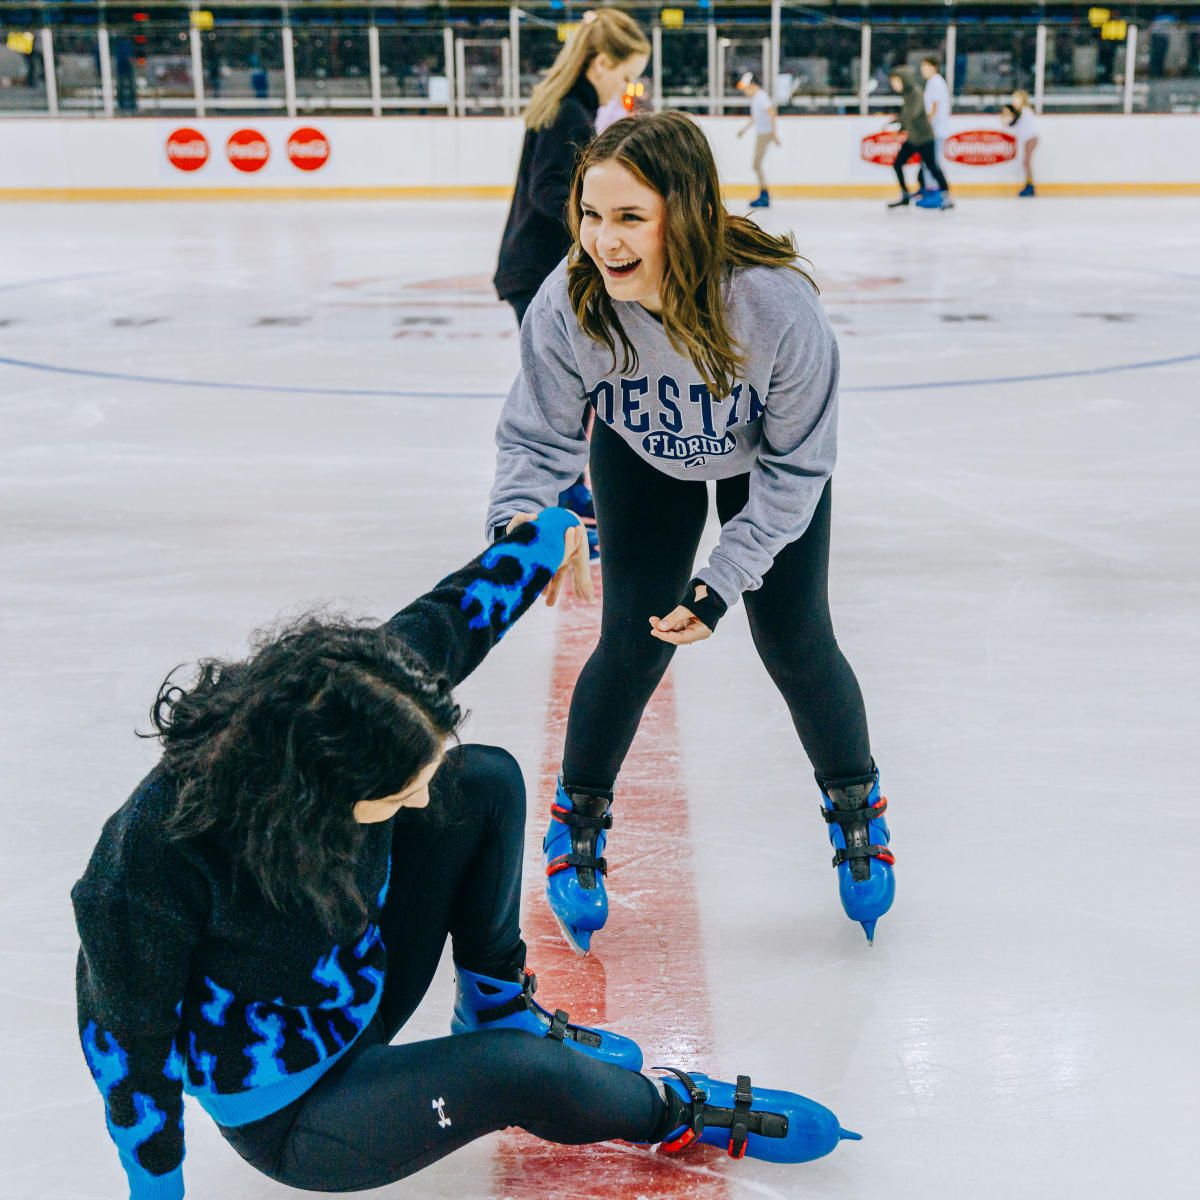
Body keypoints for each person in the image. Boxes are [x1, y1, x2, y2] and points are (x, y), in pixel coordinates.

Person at [72, 509, 859, 1199]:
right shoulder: (153, 858)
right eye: (395, 793)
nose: (417, 800)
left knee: (479, 779)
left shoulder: (349, 694)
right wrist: (155, 1188)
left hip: (360, 981)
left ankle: (494, 995)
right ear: (313, 793)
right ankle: (674, 1110)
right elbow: (125, 1047)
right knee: (516, 1071)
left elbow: (458, 614)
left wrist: (552, 534)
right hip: (297, 1108)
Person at [486, 112, 896, 957]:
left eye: (630, 217)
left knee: (793, 637)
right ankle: (577, 825)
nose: (603, 240)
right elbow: (536, 440)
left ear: (689, 211)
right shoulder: (571, 302)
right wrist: (526, 525)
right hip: (642, 457)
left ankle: (858, 809)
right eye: (591, 215)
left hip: (765, 464)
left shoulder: (776, 307)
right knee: (634, 639)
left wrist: (722, 582)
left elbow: (797, 471)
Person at [494, 8, 650, 557]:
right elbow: (548, 189)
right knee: (563, 390)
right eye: (625, 74)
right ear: (601, 61)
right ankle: (566, 503)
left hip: (530, 267)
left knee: (573, 388)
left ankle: (574, 493)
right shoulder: (570, 112)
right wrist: (600, 234)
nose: (627, 86)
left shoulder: (568, 104)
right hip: (540, 272)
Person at [884, 67, 953, 210]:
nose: (894, 85)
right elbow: (907, 116)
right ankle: (904, 195)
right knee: (898, 163)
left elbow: (914, 114)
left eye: (896, 82)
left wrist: (900, 122)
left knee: (932, 167)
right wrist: (898, 123)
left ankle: (947, 197)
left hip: (925, 138)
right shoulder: (907, 95)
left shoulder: (916, 93)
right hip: (913, 138)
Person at [736, 72, 780, 209]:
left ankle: (764, 195)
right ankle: (764, 194)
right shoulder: (756, 98)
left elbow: (771, 113)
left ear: (753, 85)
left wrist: (773, 133)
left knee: (756, 164)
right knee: (756, 164)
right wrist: (744, 129)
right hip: (762, 133)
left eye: (746, 88)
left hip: (764, 134)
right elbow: (757, 117)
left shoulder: (761, 97)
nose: (744, 91)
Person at [918, 56, 951, 196]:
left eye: (925, 67)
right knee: (928, 162)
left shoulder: (936, 83)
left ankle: (934, 192)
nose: (923, 70)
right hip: (934, 129)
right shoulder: (933, 82)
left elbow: (934, 107)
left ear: (934, 67)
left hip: (935, 130)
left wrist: (926, 125)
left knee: (931, 162)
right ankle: (928, 189)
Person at [1002, 89, 1039, 197]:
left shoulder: (1024, 110)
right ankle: (1029, 184)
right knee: (1026, 162)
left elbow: (1014, 120)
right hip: (1028, 138)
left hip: (1030, 138)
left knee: (1026, 162)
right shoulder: (1023, 111)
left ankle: (1030, 186)